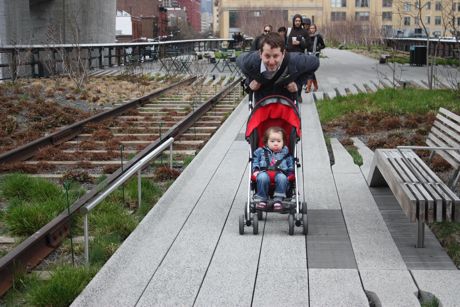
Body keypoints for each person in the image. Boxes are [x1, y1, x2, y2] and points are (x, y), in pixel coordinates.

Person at [236, 32, 319, 103]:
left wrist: (298, 84)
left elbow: (315, 63)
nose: (271, 62)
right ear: (260, 54)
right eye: (267, 56)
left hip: (286, 98)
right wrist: (250, 82)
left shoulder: (295, 60)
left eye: (276, 56)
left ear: (283, 54)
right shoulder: (250, 61)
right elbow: (239, 60)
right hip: (262, 101)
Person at [252, 126, 294, 211]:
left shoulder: (286, 153)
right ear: (266, 142)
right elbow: (255, 160)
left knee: (282, 178)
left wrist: (291, 173)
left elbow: (290, 164)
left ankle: (278, 199)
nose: (276, 143)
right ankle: (262, 199)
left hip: (281, 173)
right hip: (264, 171)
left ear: (283, 142)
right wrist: (256, 170)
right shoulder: (260, 151)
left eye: (279, 141)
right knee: (262, 177)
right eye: (272, 141)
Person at [305, 23, 325, 93]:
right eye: (311, 28)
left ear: (315, 29)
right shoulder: (307, 36)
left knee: (310, 71)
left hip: (315, 55)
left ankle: (308, 87)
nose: (312, 29)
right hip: (308, 55)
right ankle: (316, 86)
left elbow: (323, 45)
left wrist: (318, 47)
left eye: (313, 28)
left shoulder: (318, 36)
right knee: (311, 71)